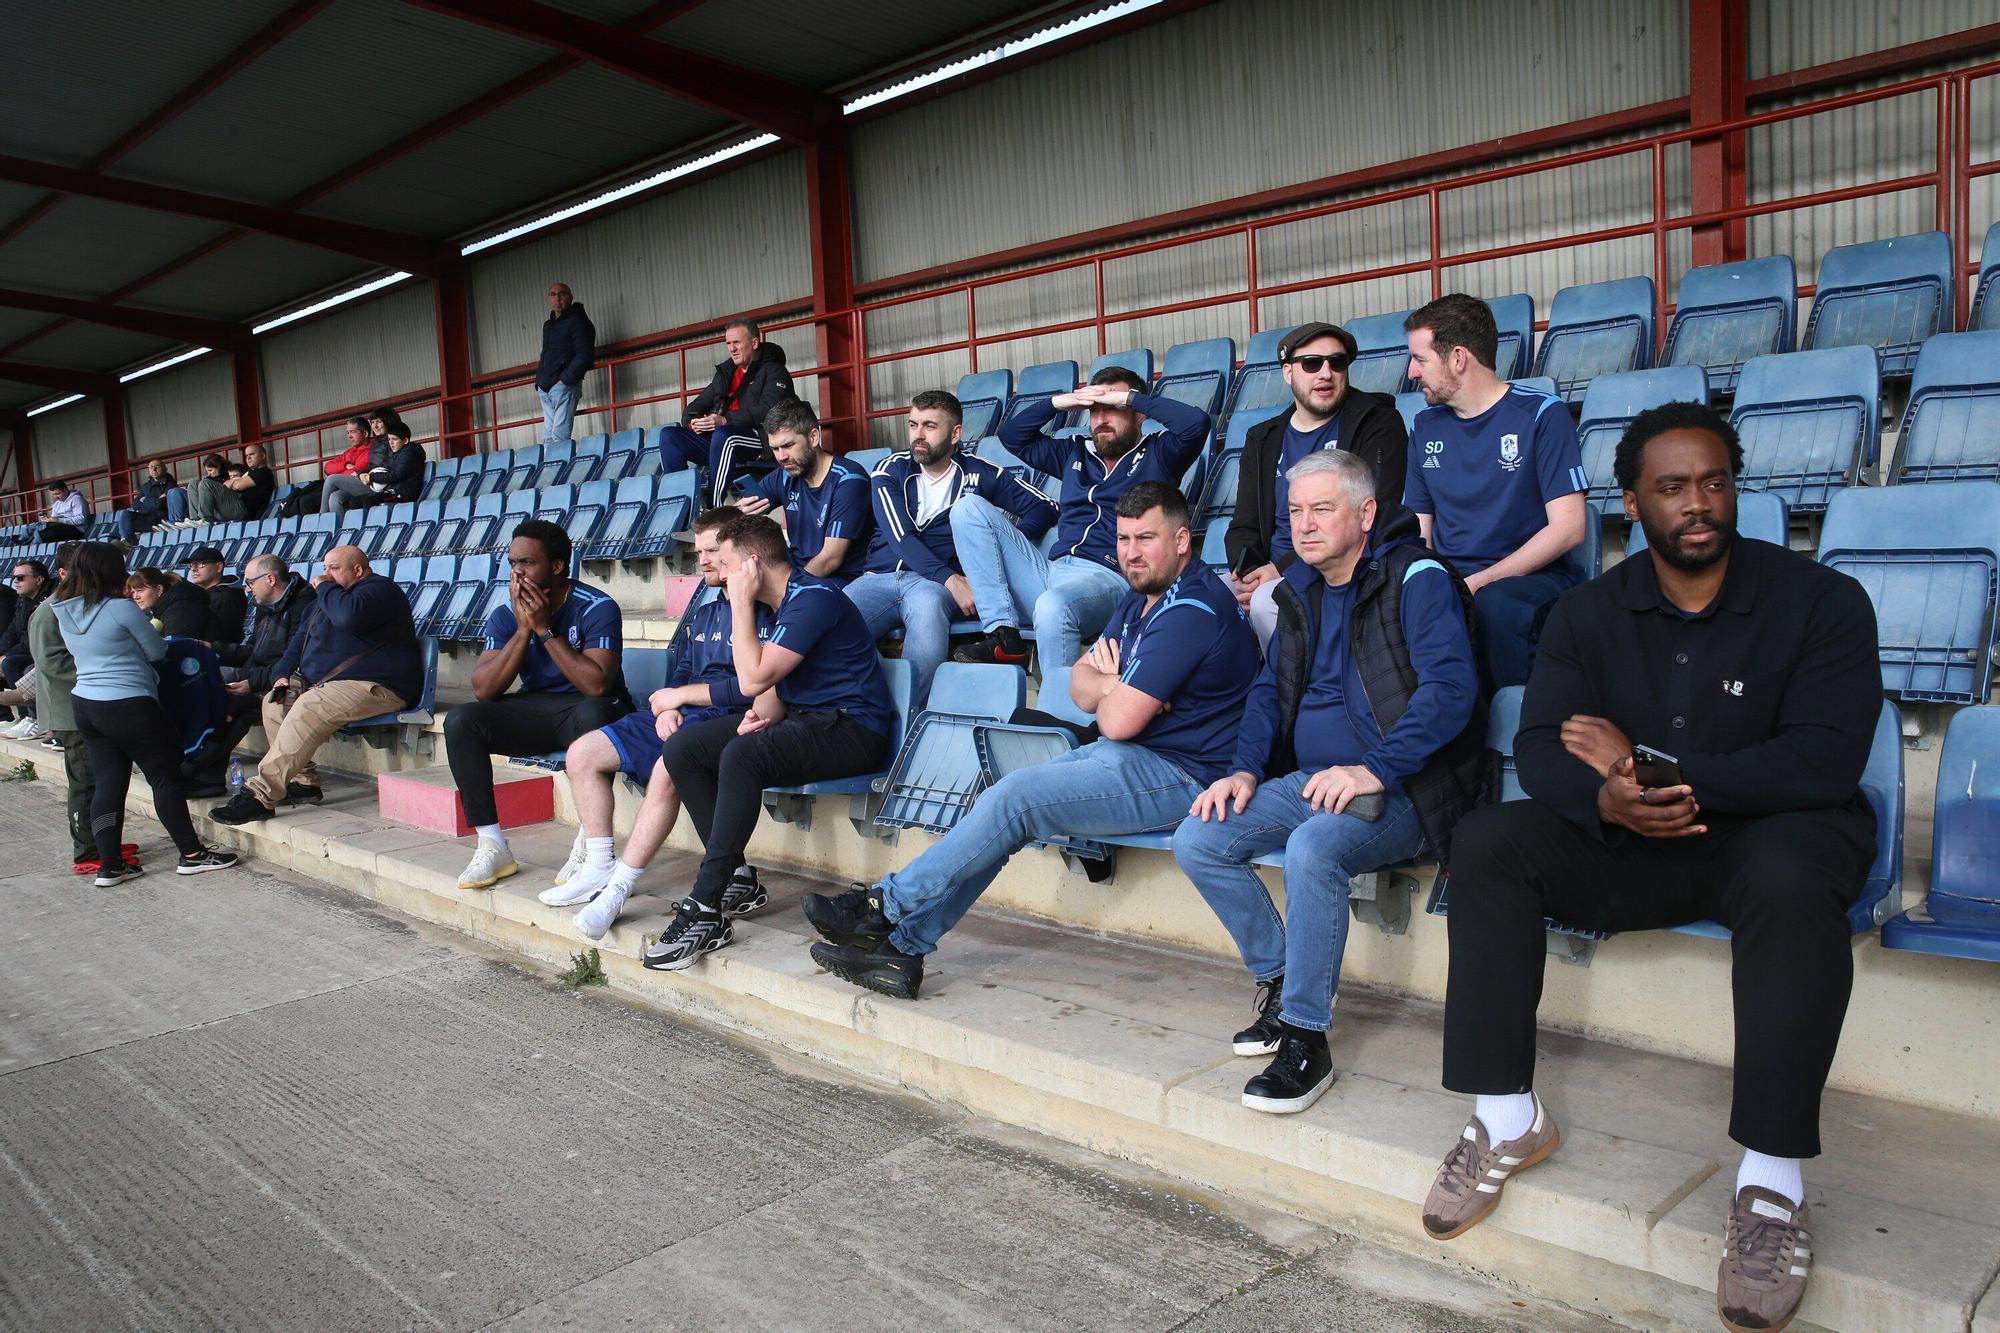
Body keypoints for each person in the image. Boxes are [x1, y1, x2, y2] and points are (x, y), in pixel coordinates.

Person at [1422, 403, 1880, 1333]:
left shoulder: (1823, 600)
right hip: (1634, 838)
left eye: (1715, 482)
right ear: (1634, 502)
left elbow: (1821, 760)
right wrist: (1606, 799)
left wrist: (1659, 770)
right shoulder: (1588, 611)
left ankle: (1771, 1186)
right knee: (1490, 841)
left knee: (1797, 879)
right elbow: (1547, 746)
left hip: (1769, 839)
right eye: (1673, 488)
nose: (1698, 504)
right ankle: (1507, 1116)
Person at [806, 481, 1257, 1000]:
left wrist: (1114, 694)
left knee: (1016, 800)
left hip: (1187, 776)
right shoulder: (1141, 601)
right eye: (1125, 538)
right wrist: (1117, 686)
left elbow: (1116, 722)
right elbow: (1077, 682)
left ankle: (886, 908)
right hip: (1134, 755)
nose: (1131, 553)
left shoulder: (1191, 608)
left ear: (1182, 540)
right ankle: (901, 947)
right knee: (1008, 798)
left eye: (1146, 538)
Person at [1173, 451, 1486, 1114]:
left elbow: (1452, 690)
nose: (1304, 525)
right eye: (1295, 511)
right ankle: (1284, 982)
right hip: (1316, 779)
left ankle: (1306, 1038)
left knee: (1316, 847)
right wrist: (1243, 770)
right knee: (1199, 835)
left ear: (1366, 513)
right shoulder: (1300, 591)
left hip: (1409, 784)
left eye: (1322, 508)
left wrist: (1375, 765)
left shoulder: (1416, 577)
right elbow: (1266, 692)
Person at [644, 513, 895, 971]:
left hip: (854, 730)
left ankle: (704, 905)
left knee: (742, 755)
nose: (720, 571)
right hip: (809, 721)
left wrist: (739, 605)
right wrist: (760, 715)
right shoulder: (786, 602)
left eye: (728, 563)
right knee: (686, 748)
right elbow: (771, 691)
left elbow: (752, 677)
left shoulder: (812, 598)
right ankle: (734, 875)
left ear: (753, 563)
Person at [542, 507, 769, 939]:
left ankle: (618, 889)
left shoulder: (764, 609)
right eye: (697, 551)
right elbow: (680, 672)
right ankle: (597, 864)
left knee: (670, 765)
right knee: (583, 752)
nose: (703, 560)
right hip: (681, 713)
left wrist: (679, 699)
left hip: (731, 719)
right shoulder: (703, 613)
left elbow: (754, 688)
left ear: (740, 554)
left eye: (713, 550)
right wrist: (667, 708)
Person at [951, 367, 1211, 669]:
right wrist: (1060, 403)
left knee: (1052, 606)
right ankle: (1004, 635)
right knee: (967, 507)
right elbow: (1012, 437)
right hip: (1051, 570)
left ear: (1137, 412)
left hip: (1109, 578)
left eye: (1112, 408)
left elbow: (1196, 424)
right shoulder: (1075, 451)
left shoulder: (1160, 453)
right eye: (1094, 410)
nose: (1101, 419)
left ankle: (1057, 710)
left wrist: (1130, 398)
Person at [1402, 294, 1587, 692]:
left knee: (1496, 607)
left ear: (1458, 358)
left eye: (1420, 359)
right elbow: (1419, 532)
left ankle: (1512, 741)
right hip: (1454, 578)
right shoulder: (1424, 427)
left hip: (1531, 578)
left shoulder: (1540, 414)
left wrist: (1480, 581)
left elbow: (1570, 529)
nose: (1411, 372)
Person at [446, 520, 629, 890]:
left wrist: (545, 629)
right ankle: (492, 843)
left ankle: (589, 842)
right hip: (538, 709)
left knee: (594, 715)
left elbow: (595, 685)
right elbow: (485, 688)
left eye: (527, 562)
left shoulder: (597, 607)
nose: (516, 571)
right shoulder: (505, 615)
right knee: (462, 719)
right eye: (512, 562)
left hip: (592, 708)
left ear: (557, 566)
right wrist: (523, 629)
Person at [844, 389, 1056, 707]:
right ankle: (867, 706)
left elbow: (1045, 506)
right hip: (879, 578)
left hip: (929, 588)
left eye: (930, 426)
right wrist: (951, 579)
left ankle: (911, 719)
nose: (918, 435)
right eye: (913, 424)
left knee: (927, 630)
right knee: (829, 626)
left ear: (955, 433)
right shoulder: (890, 471)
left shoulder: (979, 473)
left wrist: (995, 550)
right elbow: (901, 538)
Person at [51, 542, 240, 884]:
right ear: (111, 570)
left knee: (109, 782)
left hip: (85, 703)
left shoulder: (62, 608)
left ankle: (110, 865)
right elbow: (155, 650)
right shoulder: (119, 609)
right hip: (128, 702)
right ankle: (192, 854)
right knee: (164, 777)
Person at [206, 546, 422, 825]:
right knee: (275, 700)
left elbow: (349, 617)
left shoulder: (379, 589)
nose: (325, 575)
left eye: (334, 568)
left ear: (357, 570)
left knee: (309, 705)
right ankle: (304, 783)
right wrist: (282, 675)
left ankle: (260, 795)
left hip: (380, 685)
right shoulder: (326, 599)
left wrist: (326, 589)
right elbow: (299, 641)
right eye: (324, 568)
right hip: (332, 684)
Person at [1224, 322, 1408, 648]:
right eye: (1311, 363)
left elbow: (1374, 512)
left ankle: (1295, 696)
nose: (1326, 373)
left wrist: (1280, 571)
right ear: (1287, 372)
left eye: (1337, 363)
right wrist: (1248, 572)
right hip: (1268, 571)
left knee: (1269, 602)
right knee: (1200, 597)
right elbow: (1244, 524)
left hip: (1338, 567)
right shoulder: (1264, 438)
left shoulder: (1376, 422)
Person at [187, 552, 317, 798]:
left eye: (249, 582)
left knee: (237, 707)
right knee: (220, 700)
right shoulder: (265, 606)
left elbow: (295, 659)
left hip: (293, 679)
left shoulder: (305, 606)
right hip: (262, 677)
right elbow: (254, 651)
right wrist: (212, 649)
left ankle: (199, 771)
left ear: (269, 579)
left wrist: (251, 682)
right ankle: (205, 775)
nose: (246, 590)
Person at [27, 541, 111, 871]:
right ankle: (87, 849)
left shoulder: (73, 605)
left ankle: (99, 840)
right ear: (64, 573)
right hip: (70, 712)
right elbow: (51, 663)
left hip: (84, 708)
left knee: (94, 779)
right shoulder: (49, 611)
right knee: (84, 782)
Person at [736, 399, 871, 586]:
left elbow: (830, 559)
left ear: (814, 437)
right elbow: (742, 512)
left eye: (788, 445)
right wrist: (740, 512)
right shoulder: (784, 475)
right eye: (775, 449)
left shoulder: (848, 480)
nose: (781, 457)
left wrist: (790, 589)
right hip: (798, 571)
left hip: (843, 579)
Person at [666, 319, 796, 505]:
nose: (731, 348)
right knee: (670, 436)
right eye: (728, 343)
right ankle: (678, 506)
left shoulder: (774, 370)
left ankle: (715, 507)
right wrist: (695, 422)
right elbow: (692, 409)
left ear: (754, 343)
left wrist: (725, 421)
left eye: (737, 342)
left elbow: (769, 411)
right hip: (720, 439)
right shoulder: (726, 374)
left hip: (761, 437)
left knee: (725, 436)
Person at [325, 423, 425, 524]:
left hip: (402, 493)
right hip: (390, 489)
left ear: (405, 440)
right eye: (389, 439)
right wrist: (361, 474)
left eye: (394, 439)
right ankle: (355, 532)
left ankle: (369, 529)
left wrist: (371, 477)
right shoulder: (395, 454)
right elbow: (381, 467)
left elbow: (395, 475)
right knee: (353, 502)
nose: (391, 443)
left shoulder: (410, 454)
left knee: (369, 500)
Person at [537, 282, 595, 447]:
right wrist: (539, 382)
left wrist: (565, 380)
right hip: (545, 387)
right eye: (553, 294)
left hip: (562, 386)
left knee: (559, 436)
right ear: (549, 298)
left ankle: (561, 471)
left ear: (570, 297)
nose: (557, 298)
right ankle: (550, 472)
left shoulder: (578, 320)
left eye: (562, 294)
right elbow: (545, 354)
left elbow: (585, 354)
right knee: (548, 438)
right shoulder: (548, 325)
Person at [0, 557, 51, 727]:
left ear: (39, 579)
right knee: (6, 661)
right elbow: (12, 631)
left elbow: (35, 639)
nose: (15, 581)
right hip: (25, 650)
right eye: (14, 577)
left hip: (43, 653)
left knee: (9, 663)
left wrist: (5, 656)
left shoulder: (48, 601)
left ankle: (31, 717)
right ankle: (5, 717)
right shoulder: (23, 600)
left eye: (20, 578)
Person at [125, 568, 220, 639]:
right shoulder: (165, 608)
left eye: (140, 590)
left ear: (159, 589)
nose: (135, 597)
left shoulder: (181, 610)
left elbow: (177, 649)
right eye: (133, 592)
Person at [184, 546, 248, 645]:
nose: (193, 569)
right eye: (192, 564)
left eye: (201, 564)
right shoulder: (205, 594)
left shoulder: (226, 597)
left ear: (219, 567)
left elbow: (220, 637)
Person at [117, 460, 187, 540]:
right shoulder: (146, 486)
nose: (153, 469)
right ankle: (127, 542)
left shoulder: (170, 484)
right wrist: (153, 502)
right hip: (146, 518)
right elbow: (135, 504)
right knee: (125, 514)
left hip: (161, 520)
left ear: (165, 469)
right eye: (151, 467)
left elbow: (160, 504)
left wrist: (144, 500)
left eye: (157, 467)